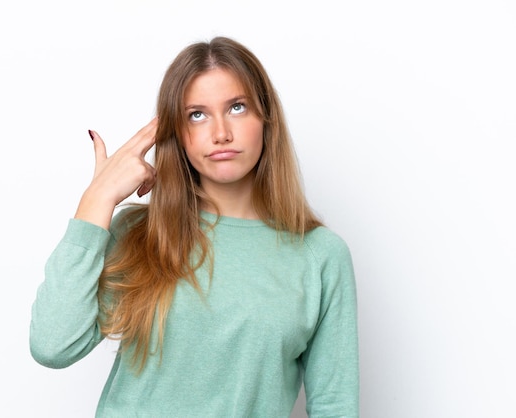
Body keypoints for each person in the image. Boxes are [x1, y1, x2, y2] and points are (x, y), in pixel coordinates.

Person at [30, 36, 359, 417]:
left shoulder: (320, 255)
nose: (221, 132)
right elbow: (53, 346)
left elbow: (335, 405)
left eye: (237, 107)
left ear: (266, 120)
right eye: (196, 115)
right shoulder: (139, 233)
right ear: (177, 133)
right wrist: (96, 202)